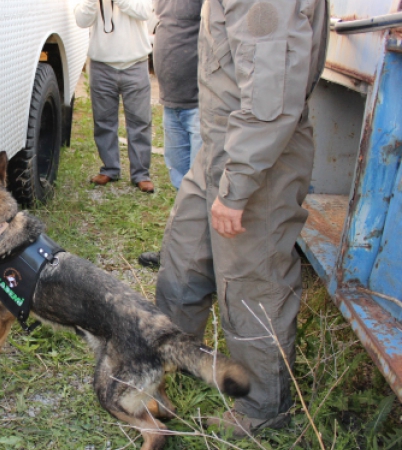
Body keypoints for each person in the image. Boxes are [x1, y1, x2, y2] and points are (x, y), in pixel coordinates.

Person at [152, 0, 328, 436]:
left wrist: (238, 185)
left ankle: (262, 409)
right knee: (184, 257)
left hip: (259, 157)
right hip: (220, 145)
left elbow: (272, 96)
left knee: (252, 283)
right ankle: (167, 361)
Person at [137, 0, 202, 269]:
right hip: (172, 103)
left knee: (202, 185)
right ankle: (178, 253)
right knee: (181, 183)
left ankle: (203, 261)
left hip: (201, 105)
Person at [75, 0, 155, 193]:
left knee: (140, 121)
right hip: (101, 64)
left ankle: (141, 174)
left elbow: (145, 11)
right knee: (103, 121)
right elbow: (81, 20)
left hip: (135, 62)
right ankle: (110, 168)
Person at [153, 0, 202, 191]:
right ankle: (184, 209)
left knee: (200, 180)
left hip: (199, 103)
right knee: (179, 178)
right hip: (171, 101)